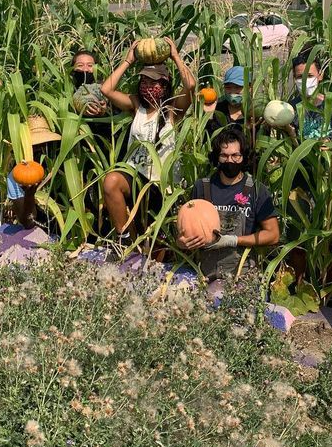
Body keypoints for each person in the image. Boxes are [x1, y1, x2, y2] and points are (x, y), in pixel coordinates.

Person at [100, 38, 196, 238]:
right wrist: (128, 61)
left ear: (165, 83)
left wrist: (175, 56)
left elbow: (190, 85)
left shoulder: (173, 110)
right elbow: (106, 90)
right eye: (144, 81)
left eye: (154, 82)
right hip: (136, 177)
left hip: (162, 185)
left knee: (156, 242)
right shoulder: (137, 106)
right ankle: (124, 237)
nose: (148, 86)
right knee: (111, 182)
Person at [178, 127, 279, 281]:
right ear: (217, 157)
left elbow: (273, 235)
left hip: (242, 275)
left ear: (244, 156)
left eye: (235, 155)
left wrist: (234, 240)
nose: (230, 160)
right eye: (224, 156)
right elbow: (186, 227)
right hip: (205, 275)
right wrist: (182, 243)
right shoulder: (202, 187)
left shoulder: (257, 190)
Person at [6, 115, 62, 231]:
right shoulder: (17, 176)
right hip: (45, 229)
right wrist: (29, 196)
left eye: (43, 144)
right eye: (33, 146)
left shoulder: (65, 162)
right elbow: (27, 222)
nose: (39, 149)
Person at [204, 66, 249, 139]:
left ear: (249, 88)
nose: (232, 92)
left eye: (238, 87)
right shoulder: (218, 110)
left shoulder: (255, 112)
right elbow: (209, 140)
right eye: (228, 87)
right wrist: (209, 117)